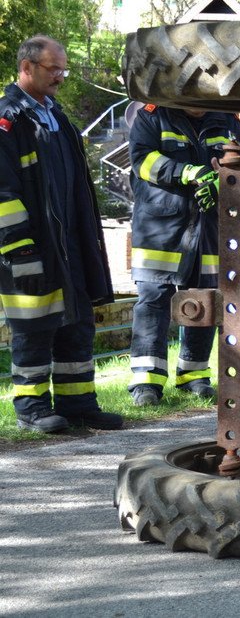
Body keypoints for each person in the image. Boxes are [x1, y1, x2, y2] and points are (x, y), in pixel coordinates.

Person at [0, 35, 122, 432]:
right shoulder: (8, 120)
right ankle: (31, 408)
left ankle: (78, 404)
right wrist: (20, 249)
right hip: (29, 247)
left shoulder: (56, 116)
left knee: (76, 322)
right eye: (53, 69)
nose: (60, 77)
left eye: (63, 70)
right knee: (34, 326)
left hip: (69, 242)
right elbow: (2, 194)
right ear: (26, 67)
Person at [126, 103, 240, 406]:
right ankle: (146, 381)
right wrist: (186, 172)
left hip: (208, 226)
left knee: (204, 298)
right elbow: (142, 161)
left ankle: (194, 375)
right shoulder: (152, 115)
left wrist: (220, 184)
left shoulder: (226, 118)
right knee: (154, 299)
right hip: (160, 227)